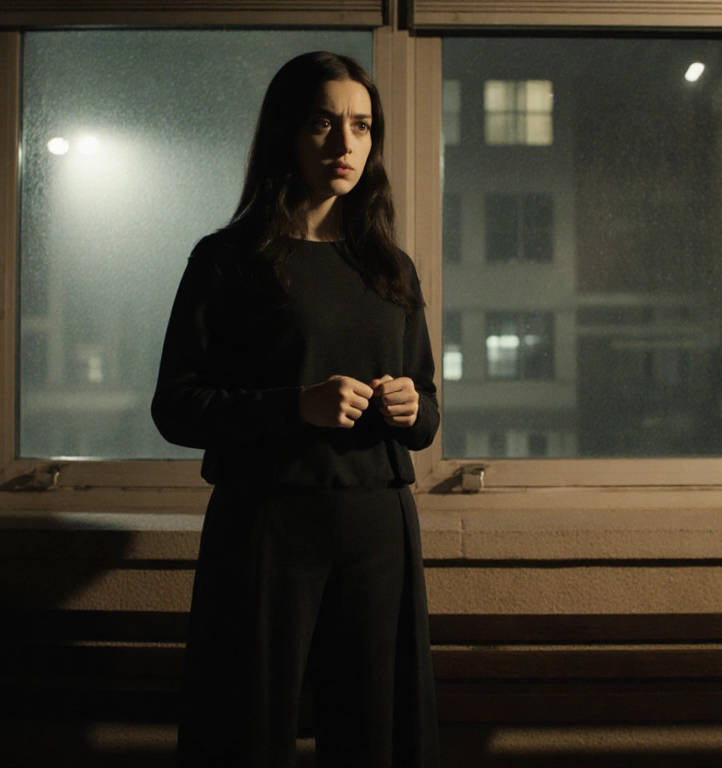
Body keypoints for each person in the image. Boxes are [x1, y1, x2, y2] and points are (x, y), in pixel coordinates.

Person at [151, 51, 441, 767]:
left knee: (376, 736)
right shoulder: (228, 259)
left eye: (362, 126)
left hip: (378, 524)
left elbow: (429, 411)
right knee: (246, 731)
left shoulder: (390, 266)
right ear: (287, 132)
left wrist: (413, 407)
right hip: (268, 524)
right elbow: (177, 407)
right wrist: (294, 407)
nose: (345, 144)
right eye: (323, 123)